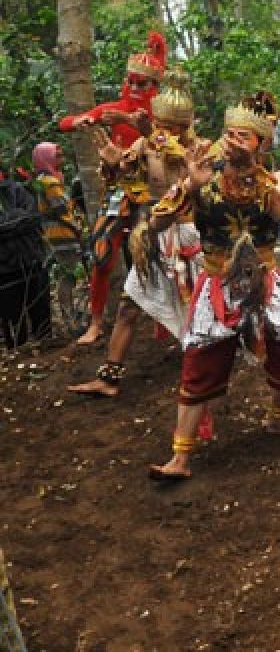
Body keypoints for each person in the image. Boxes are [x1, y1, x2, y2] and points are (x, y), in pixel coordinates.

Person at [146, 92, 280, 481]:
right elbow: (156, 226)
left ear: (261, 144)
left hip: (264, 280)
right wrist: (190, 188)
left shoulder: (272, 179)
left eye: (243, 136)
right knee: (200, 365)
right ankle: (180, 457)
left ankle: (278, 419)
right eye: (229, 133)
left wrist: (254, 172)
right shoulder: (203, 176)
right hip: (218, 283)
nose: (232, 141)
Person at [67, 69, 209, 398]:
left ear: (186, 125)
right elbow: (135, 185)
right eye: (161, 123)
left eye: (170, 126)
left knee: (196, 306)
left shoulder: (198, 149)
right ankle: (109, 378)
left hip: (186, 237)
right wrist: (116, 164)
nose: (162, 130)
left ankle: (212, 363)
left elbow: (188, 179)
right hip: (152, 235)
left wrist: (159, 139)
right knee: (129, 306)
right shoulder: (146, 144)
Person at [66, 33, 168, 345]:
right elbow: (67, 122)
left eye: (143, 84)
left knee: (153, 253)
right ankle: (96, 324)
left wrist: (130, 121)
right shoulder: (114, 107)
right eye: (132, 83)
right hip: (122, 192)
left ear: (155, 88)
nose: (136, 89)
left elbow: (167, 142)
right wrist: (82, 120)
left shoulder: (163, 113)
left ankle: (162, 323)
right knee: (101, 251)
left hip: (154, 195)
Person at [31, 142, 86, 324]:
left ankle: (69, 316)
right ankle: (70, 318)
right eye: (57, 155)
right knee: (68, 276)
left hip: (56, 234)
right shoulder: (50, 182)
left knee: (67, 275)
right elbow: (62, 210)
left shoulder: (46, 180)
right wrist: (78, 228)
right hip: (63, 234)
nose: (61, 158)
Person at [0, 170, 51, 348]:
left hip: (32, 261)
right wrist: (17, 218)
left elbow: (32, 218)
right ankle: (17, 350)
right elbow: (22, 220)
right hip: (4, 271)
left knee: (41, 311)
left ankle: (45, 343)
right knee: (13, 320)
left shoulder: (18, 190)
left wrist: (8, 223)